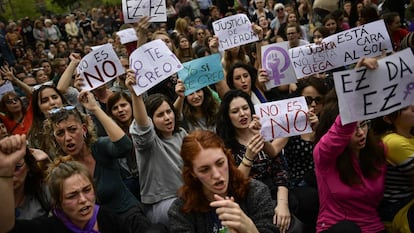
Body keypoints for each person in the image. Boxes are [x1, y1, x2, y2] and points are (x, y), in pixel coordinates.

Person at [42, 91, 153, 233]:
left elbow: (125, 146)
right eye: (60, 133)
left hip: (130, 219)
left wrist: (95, 108)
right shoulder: (64, 170)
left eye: (72, 129)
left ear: (83, 129)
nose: (67, 138)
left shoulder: (99, 147)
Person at [313, 58, 387, 233]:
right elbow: (343, 126)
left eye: (363, 124)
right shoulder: (323, 155)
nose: (360, 132)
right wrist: (356, 80)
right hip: (337, 228)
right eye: (353, 128)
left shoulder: (379, 150)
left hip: (374, 228)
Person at [0, 136, 128, 233]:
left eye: (87, 190)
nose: (83, 200)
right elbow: (6, 228)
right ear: (57, 202)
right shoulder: (47, 228)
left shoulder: (108, 219)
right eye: (72, 196)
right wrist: (5, 171)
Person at [168, 130, 278, 233]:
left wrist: (249, 228)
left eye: (220, 163)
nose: (216, 175)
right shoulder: (181, 210)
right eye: (205, 169)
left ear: (228, 158)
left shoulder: (256, 192)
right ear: (193, 173)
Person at [215, 89, 292, 232]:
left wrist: (283, 205)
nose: (242, 114)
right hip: (247, 201)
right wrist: (248, 156)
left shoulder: (262, 133)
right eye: (235, 111)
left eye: (245, 108)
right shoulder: (223, 146)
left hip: (275, 194)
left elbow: (280, 172)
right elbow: (233, 185)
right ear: (227, 116)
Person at [126, 69, 187, 225]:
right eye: (160, 115)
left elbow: (175, 115)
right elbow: (143, 125)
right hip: (162, 205)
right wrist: (135, 94)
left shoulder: (181, 134)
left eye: (169, 112)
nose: (167, 118)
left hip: (188, 197)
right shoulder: (148, 143)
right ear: (150, 120)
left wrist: (180, 97)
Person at [372, 105, 414, 233]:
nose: (413, 108)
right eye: (405, 107)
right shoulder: (394, 142)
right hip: (399, 208)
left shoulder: (408, 137)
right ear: (388, 119)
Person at [106, 91, 140, 200]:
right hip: (128, 184)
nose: (120, 110)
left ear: (131, 105)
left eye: (123, 105)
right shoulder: (111, 134)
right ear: (111, 113)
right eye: (115, 108)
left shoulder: (142, 126)